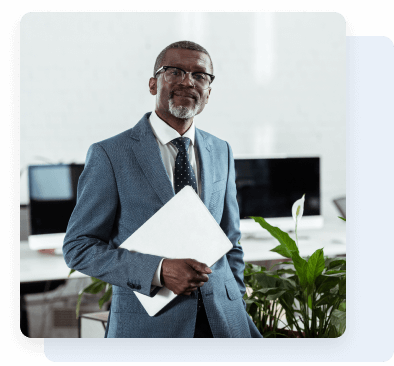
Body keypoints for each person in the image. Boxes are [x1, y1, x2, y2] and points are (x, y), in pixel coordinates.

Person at [63, 40, 262, 338]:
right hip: (149, 327)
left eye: (200, 75)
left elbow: (230, 239)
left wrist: (237, 292)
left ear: (208, 91)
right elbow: (79, 247)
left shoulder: (222, 150)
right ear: (153, 84)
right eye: (175, 71)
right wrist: (158, 270)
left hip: (225, 321)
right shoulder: (110, 154)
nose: (187, 81)